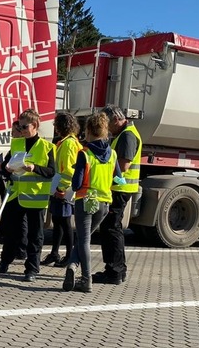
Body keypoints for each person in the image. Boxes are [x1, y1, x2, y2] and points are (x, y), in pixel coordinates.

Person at [61, 112, 123, 293]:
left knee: (84, 241)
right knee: (83, 240)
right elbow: (119, 179)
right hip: (104, 203)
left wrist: (75, 173)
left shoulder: (85, 153)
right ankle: (72, 266)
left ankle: (86, 280)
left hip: (85, 201)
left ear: (88, 131)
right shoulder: (112, 154)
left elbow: (77, 183)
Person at [0, 108, 55, 282]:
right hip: (16, 195)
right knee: (11, 233)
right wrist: (5, 168)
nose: (21, 130)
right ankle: (5, 262)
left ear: (35, 125)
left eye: (24, 127)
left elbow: (51, 172)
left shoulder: (47, 147)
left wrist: (34, 168)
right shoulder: (16, 144)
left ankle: (32, 269)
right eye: (19, 127)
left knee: (35, 236)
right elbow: (6, 167)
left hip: (35, 197)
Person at [93, 104, 142, 285]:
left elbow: (123, 166)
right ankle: (116, 270)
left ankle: (114, 271)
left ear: (115, 119)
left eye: (107, 123)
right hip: (120, 189)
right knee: (112, 228)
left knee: (111, 229)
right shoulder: (124, 134)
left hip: (120, 189)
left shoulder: (127, 136)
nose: (106, 128)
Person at [41, 113, 81, 267]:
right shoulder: (67, 142)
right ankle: (55, 253)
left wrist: (62, 189)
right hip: (60, 187)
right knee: (57, 222)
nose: (55, 128)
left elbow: (69, 170)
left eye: (57, 125)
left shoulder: (69, 144)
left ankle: (69, 256)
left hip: (63, 189)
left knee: (64, 223)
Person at [0, 121, 29, 261]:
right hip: (15, 190)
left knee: (21, 223)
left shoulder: (20, 146)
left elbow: (10, 165)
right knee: (18, 223)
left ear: (20, 132)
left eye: (14, 131)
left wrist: (0, 165)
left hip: (20, 191)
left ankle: (21, 250)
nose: (11, 134)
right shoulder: (17, 145)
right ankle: (18, 250)